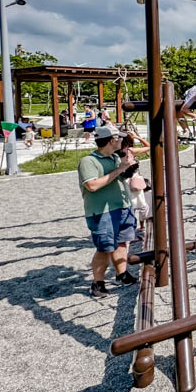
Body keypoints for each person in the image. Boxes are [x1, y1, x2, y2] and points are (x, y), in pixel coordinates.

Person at [78, 127, 138, 298]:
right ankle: (98, 283)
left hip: (122, 207)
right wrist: (120, 169)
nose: (122, 141)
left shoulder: (114, 157)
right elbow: (92, 185)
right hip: (102, 211)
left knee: (121, 243)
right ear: (111, 140)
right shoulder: (88, 161)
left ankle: (122, 274)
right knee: (104, 248)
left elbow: (117, 178)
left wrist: (128, 168)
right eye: (119, 138)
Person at [120, 129, 151, 225]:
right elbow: (148, 146)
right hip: (134, 178)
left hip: (122, 179)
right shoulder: (130, 151)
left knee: (129, 204)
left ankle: (131, 226)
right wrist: (137, 137)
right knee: (142, 204)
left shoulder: (115, 152)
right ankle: (141, 226)